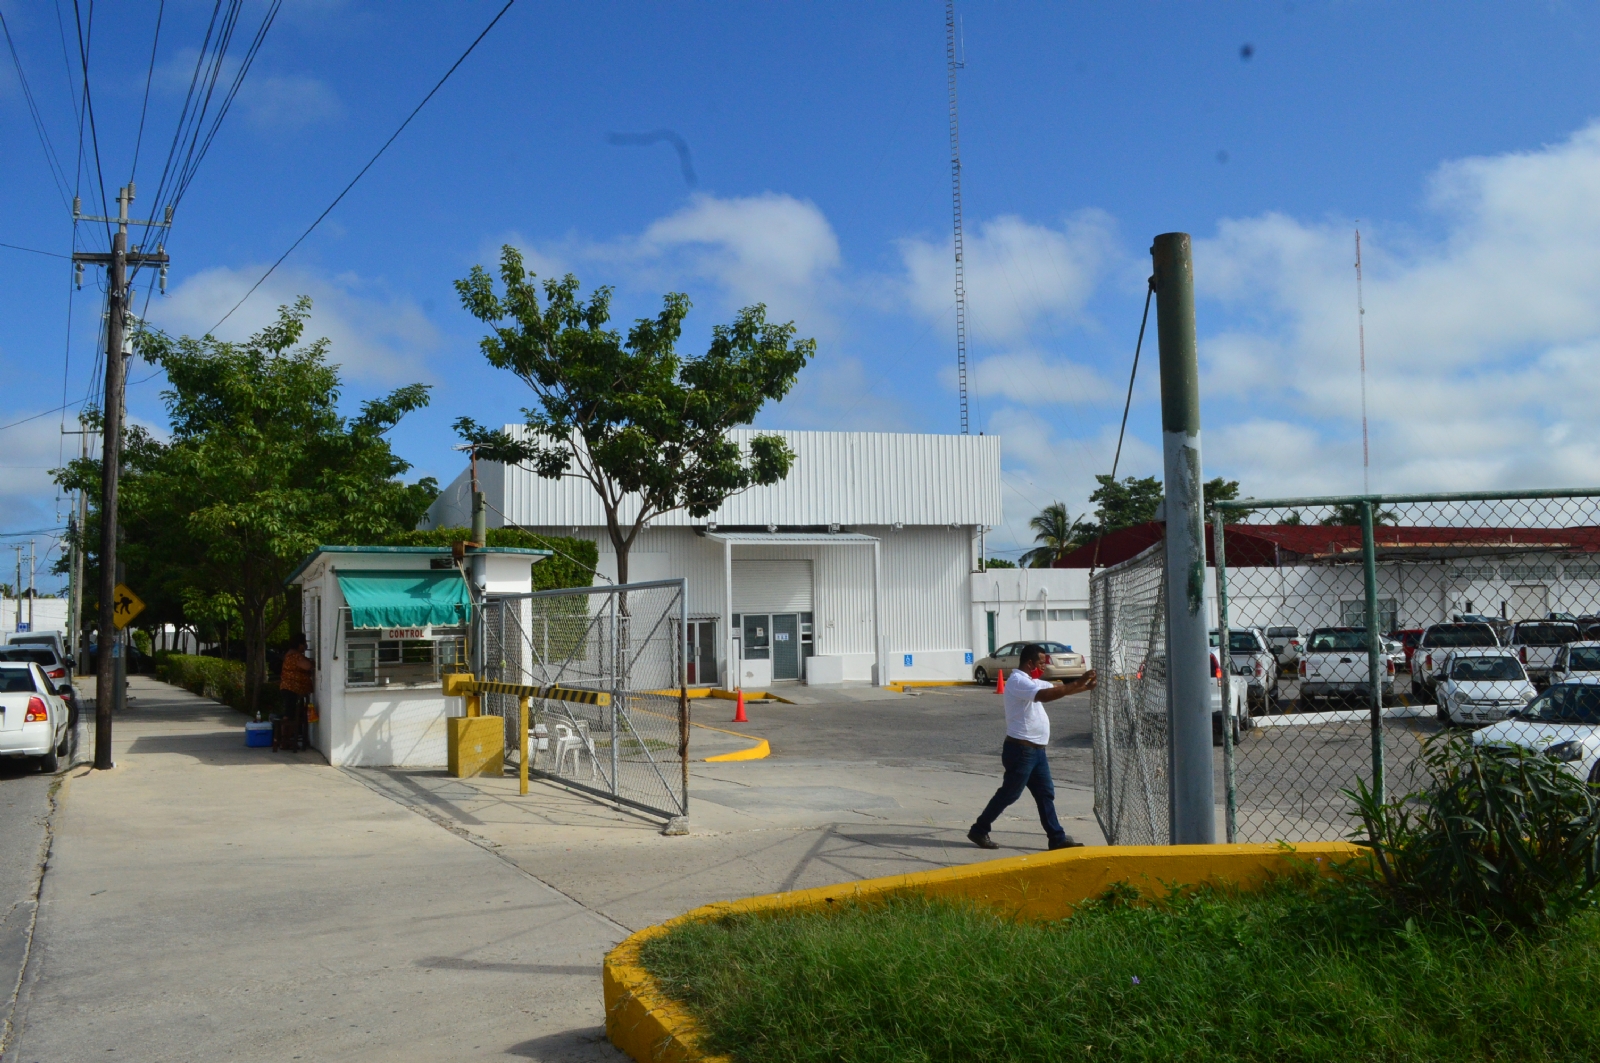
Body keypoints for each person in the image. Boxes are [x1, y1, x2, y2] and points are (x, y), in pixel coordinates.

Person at [968, 643, 1097, 851]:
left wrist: (1084, 686)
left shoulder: (1031, 681)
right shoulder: (1018, 681)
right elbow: (1045, 695)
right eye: (1040, 662)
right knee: (1009, 794)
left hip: (1036, 751)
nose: (1043, 666)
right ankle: (979, 829)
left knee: (1045, 793)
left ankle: (1057, 837)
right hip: (1021, 750)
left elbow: (1056, 689)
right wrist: (1079, 682)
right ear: (1029, 663)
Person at [277, 633, 314, 751]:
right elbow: (307, 666)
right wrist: (313, 663)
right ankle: (285, 741)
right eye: (303, 644)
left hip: (289, 688)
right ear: (299, 644)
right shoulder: (295, 656)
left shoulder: (291, 654)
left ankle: (286, 740)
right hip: (291, 689)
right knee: (289, 716)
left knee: (291, 714)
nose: (305, 646)